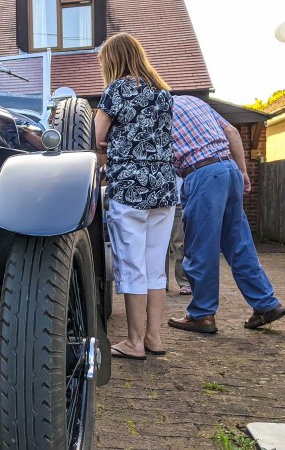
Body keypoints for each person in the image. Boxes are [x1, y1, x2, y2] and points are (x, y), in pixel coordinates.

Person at [167, 95, 285, 333]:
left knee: (200, 247)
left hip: (202, 173)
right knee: (239, 243)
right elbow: (231, 131)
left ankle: (202, 314)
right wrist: (242, 171)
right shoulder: (193, 101)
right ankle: (265, 303)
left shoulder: (154, 109)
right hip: (228, 169)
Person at [94, 33, 177, 360]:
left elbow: (95, 136)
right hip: (164, 186)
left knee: (131, 267)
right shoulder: (164, 93)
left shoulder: (117, 90)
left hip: (129, 187)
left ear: (112, 60)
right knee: (156, 267)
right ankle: (154, 338)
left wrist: (107, 141)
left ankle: (133, 342)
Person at [166, 175, 191, 295]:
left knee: (180, 243)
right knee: (158, 245)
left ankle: (184, 281)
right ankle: (160, 282)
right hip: (160, 201)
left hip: (179, 202)